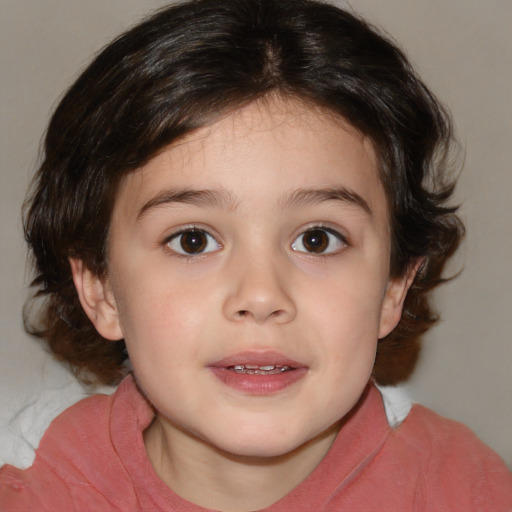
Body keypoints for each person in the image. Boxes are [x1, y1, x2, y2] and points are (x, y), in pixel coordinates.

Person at [1, 0, 511, 510]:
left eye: (317, 239)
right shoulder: (36, 496)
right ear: (101, 289)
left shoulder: (469, 493)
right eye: (193, 240)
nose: (262, 296)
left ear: (394, 286)